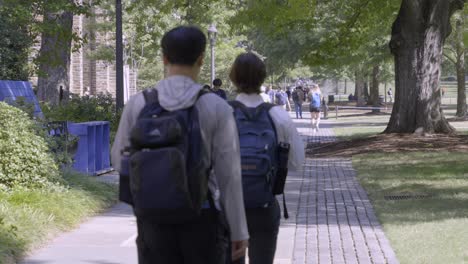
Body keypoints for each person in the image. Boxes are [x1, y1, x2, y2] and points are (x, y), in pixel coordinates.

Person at [111, 26, 249, 264]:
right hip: (202, 218)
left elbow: (118, 159)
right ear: (201, 59)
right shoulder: (216, 107)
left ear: (164, 58)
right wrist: (239, 231)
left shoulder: (139, 103)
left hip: (152, 220)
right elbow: (230, 177)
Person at [228, 52, 305, 264]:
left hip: (226, 208)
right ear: (262, 78)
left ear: (233, 78)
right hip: (263, 206)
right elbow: (297, 161)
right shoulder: (278, 115)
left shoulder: (220, 112)